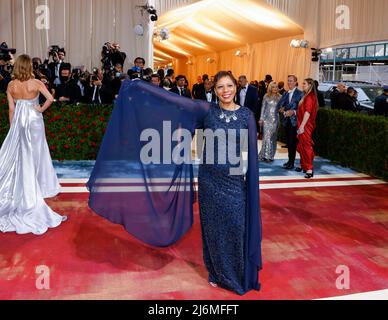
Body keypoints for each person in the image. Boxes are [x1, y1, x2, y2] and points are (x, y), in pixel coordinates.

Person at [87, 71, 262, 295]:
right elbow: (171, 101)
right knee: (213, 230)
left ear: (236, 87)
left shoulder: (246, 115)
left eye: (229, 85)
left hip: (235, 182)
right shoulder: (206, 110)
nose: (225, 91)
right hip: (210, 181)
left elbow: (249, 154)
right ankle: (217, 273)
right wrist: (139, 86)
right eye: (220, 87)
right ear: (214, 90)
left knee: (236, 226)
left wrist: (246, 179)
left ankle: (237, 273)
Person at [0, 54, 66, 235]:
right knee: (38, 153)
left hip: (19, 122)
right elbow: (50, 99)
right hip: (34, 120)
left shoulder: (11, 85)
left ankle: (27, 184)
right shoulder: (36, 83)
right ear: (29, 66)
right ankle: (41, 185)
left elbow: (11, 109)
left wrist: (13, 128)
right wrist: (40, 109)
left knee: (22, 155)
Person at [277, 75, 303, 170]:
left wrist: (294, 112)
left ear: (296, 82)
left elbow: (302, 109)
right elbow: (280, 105)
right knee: (288, 142)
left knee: (293, 143)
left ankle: (292, 162)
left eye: (291, 81)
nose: (289, 83)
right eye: (288, 81)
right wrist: (282, 110)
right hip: (286, 121)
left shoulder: (300, 94)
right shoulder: (285, 93)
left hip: (295, 122)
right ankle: (289, 161)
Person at [296, 78, 319, 179]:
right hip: (302, 124)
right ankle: (304, 165)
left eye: (304, 83)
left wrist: (302, 126)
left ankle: (309, 168)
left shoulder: (310, 97)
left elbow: (307, 112)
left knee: (306, 147)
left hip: (306, 125)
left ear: (310, 85)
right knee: (302, 146)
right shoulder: (306, 96)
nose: (302, 85)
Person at [259, 81, 281, 162]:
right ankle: (266, 156)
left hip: (275, 120)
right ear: (270, 88)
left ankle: (271, 155)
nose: (275, 88)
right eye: (273, 87)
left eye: (276, 87)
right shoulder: (266, 96)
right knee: (266, 137)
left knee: (273, 138)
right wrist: (261, 118)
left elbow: (282, 108)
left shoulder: (280, 97)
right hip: (266, 119)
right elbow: (263, 108)